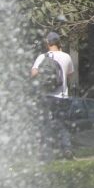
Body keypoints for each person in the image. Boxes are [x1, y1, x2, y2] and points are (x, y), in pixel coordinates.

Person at [30, 31, 77, 159]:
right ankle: (66, 149)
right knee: (62, 124)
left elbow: (33, 73)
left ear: (47, 43)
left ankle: (45, 152)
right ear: (58, 43)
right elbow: (70, 75)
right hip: (62, 96)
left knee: (46, 124)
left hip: (47, 96)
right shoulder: (66, 57)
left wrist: (41, 71)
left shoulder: (42, 57)